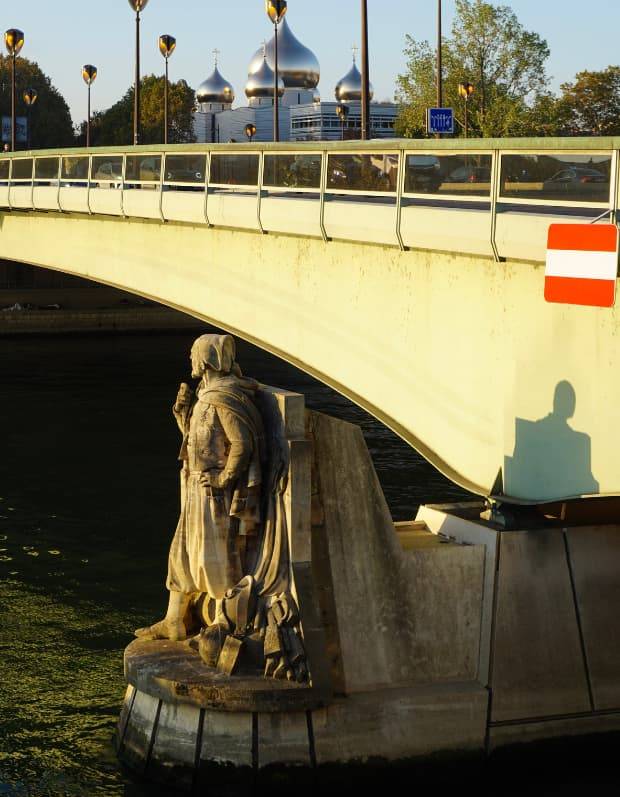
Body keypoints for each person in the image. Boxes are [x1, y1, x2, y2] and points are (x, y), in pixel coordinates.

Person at [136, 334, 264, 641]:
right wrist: (183, 414)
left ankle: (223, 625)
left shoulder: (224, 398)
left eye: (193, 354)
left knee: (218, 560)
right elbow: (199, 440)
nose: (190, 360)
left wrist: (224, 478)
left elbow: (242, 444)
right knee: (181, 554)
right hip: (194, 488)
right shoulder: (205, 395)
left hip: (213, 495)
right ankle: (174, 620)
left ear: (205, 360)